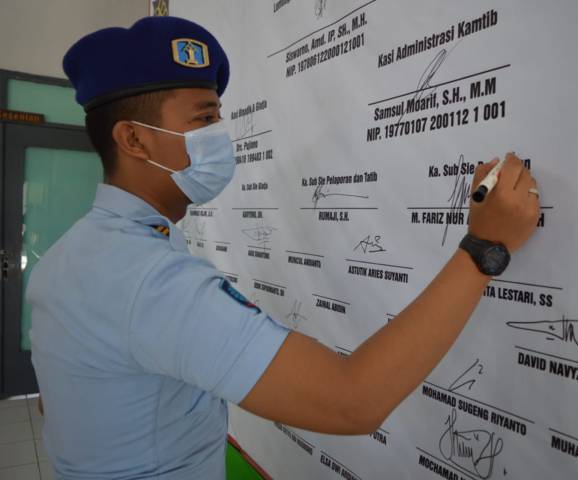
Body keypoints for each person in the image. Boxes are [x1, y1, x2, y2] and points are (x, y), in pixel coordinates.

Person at [27, 16, 540, 480]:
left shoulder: (74, 254)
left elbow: (59, 402)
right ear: (134, 140)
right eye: (203, 120)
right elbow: (351, 402)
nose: (221, 136)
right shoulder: (148, 281)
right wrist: (484, 247)